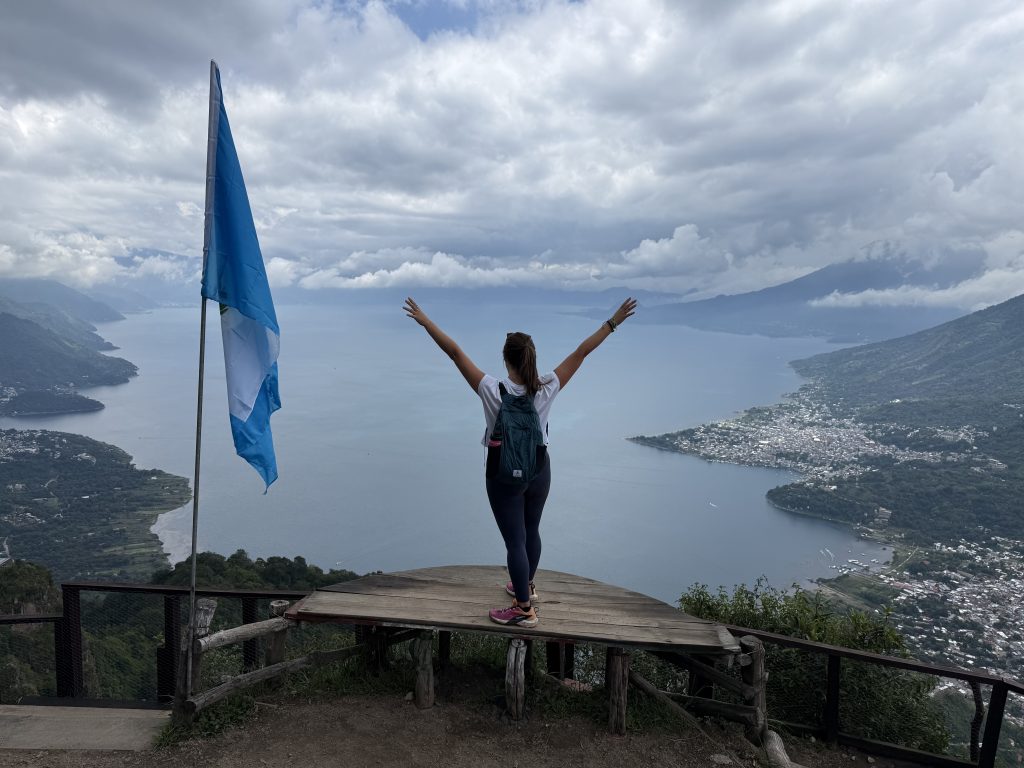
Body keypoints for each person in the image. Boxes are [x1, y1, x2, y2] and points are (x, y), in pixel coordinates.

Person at [403, 296, 637, 627]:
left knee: (514, 541)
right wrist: (613, 322)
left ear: (506, 359)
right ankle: (525, 585)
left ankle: (523, 609)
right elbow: (582, 352)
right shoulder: (547, 387)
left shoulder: (492, 389)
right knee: (531, 531)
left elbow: (454, 353)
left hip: (503, 475)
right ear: (532, 358)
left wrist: (426, 322)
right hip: (539, 469)